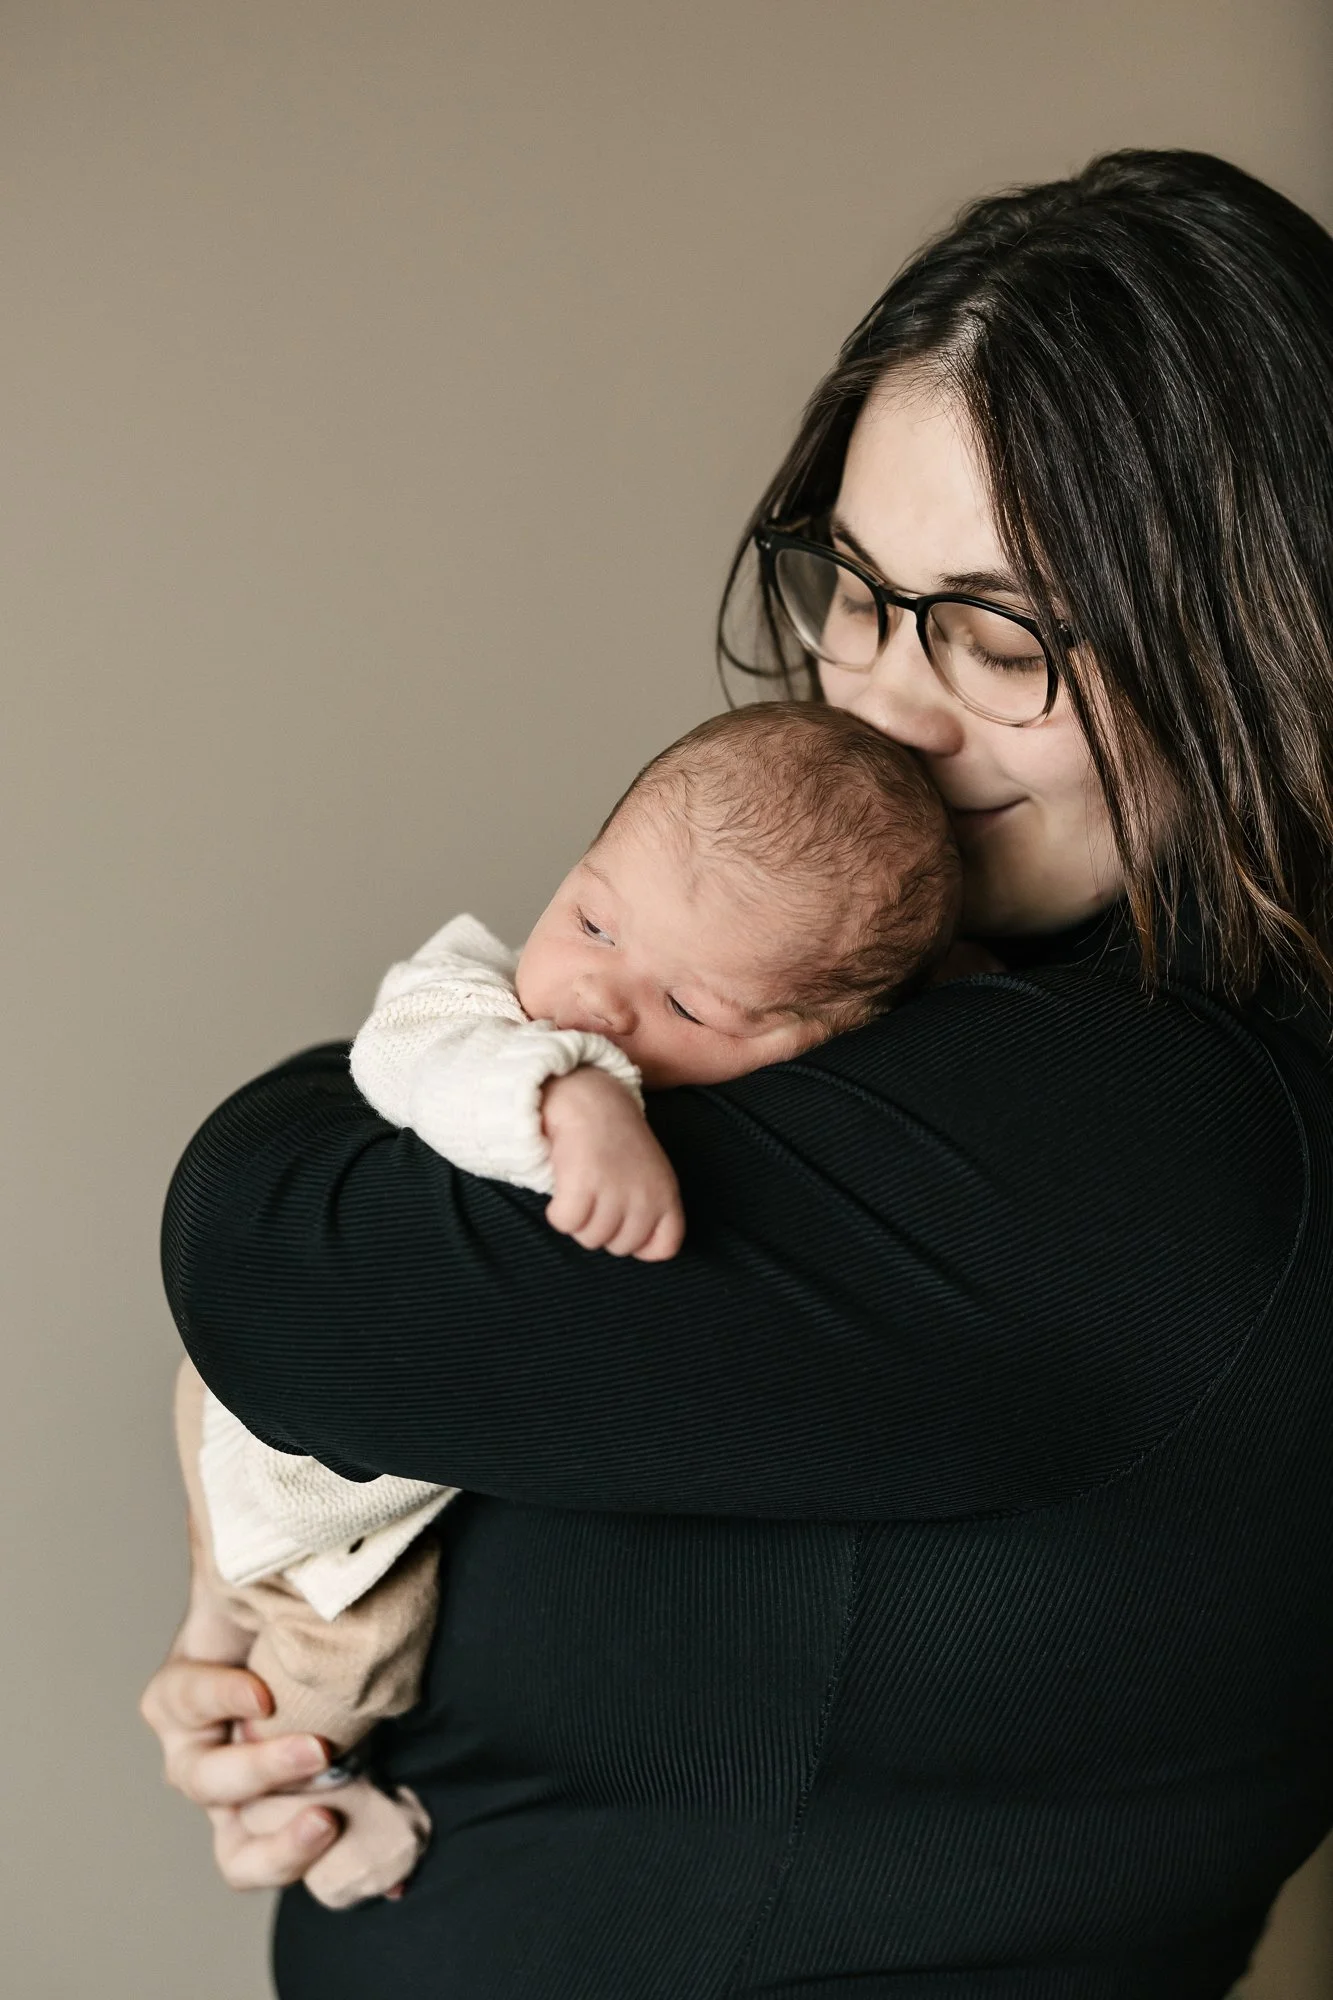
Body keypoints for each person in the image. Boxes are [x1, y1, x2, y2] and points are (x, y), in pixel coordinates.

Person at [141, 148, 1333, 1998]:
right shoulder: (944, 1030)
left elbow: (271, 1250)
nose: (885, 705)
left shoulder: (1150, 1139)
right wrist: (290, 1660)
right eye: (854, 589)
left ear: (1259, 637)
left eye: (997, 632)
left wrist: (466, 1068)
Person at [175, 702, 958, 1910]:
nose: (596, 993)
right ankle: (317, 1805)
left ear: (811, 1050)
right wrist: (571, 1097)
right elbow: (409, 1054)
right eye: (592, 919)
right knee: (349, 1652)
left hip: (301, 1431)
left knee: (231, 1627)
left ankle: (218, 1692)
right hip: (304, 1439)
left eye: (688, 1006)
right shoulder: (477, 1003)